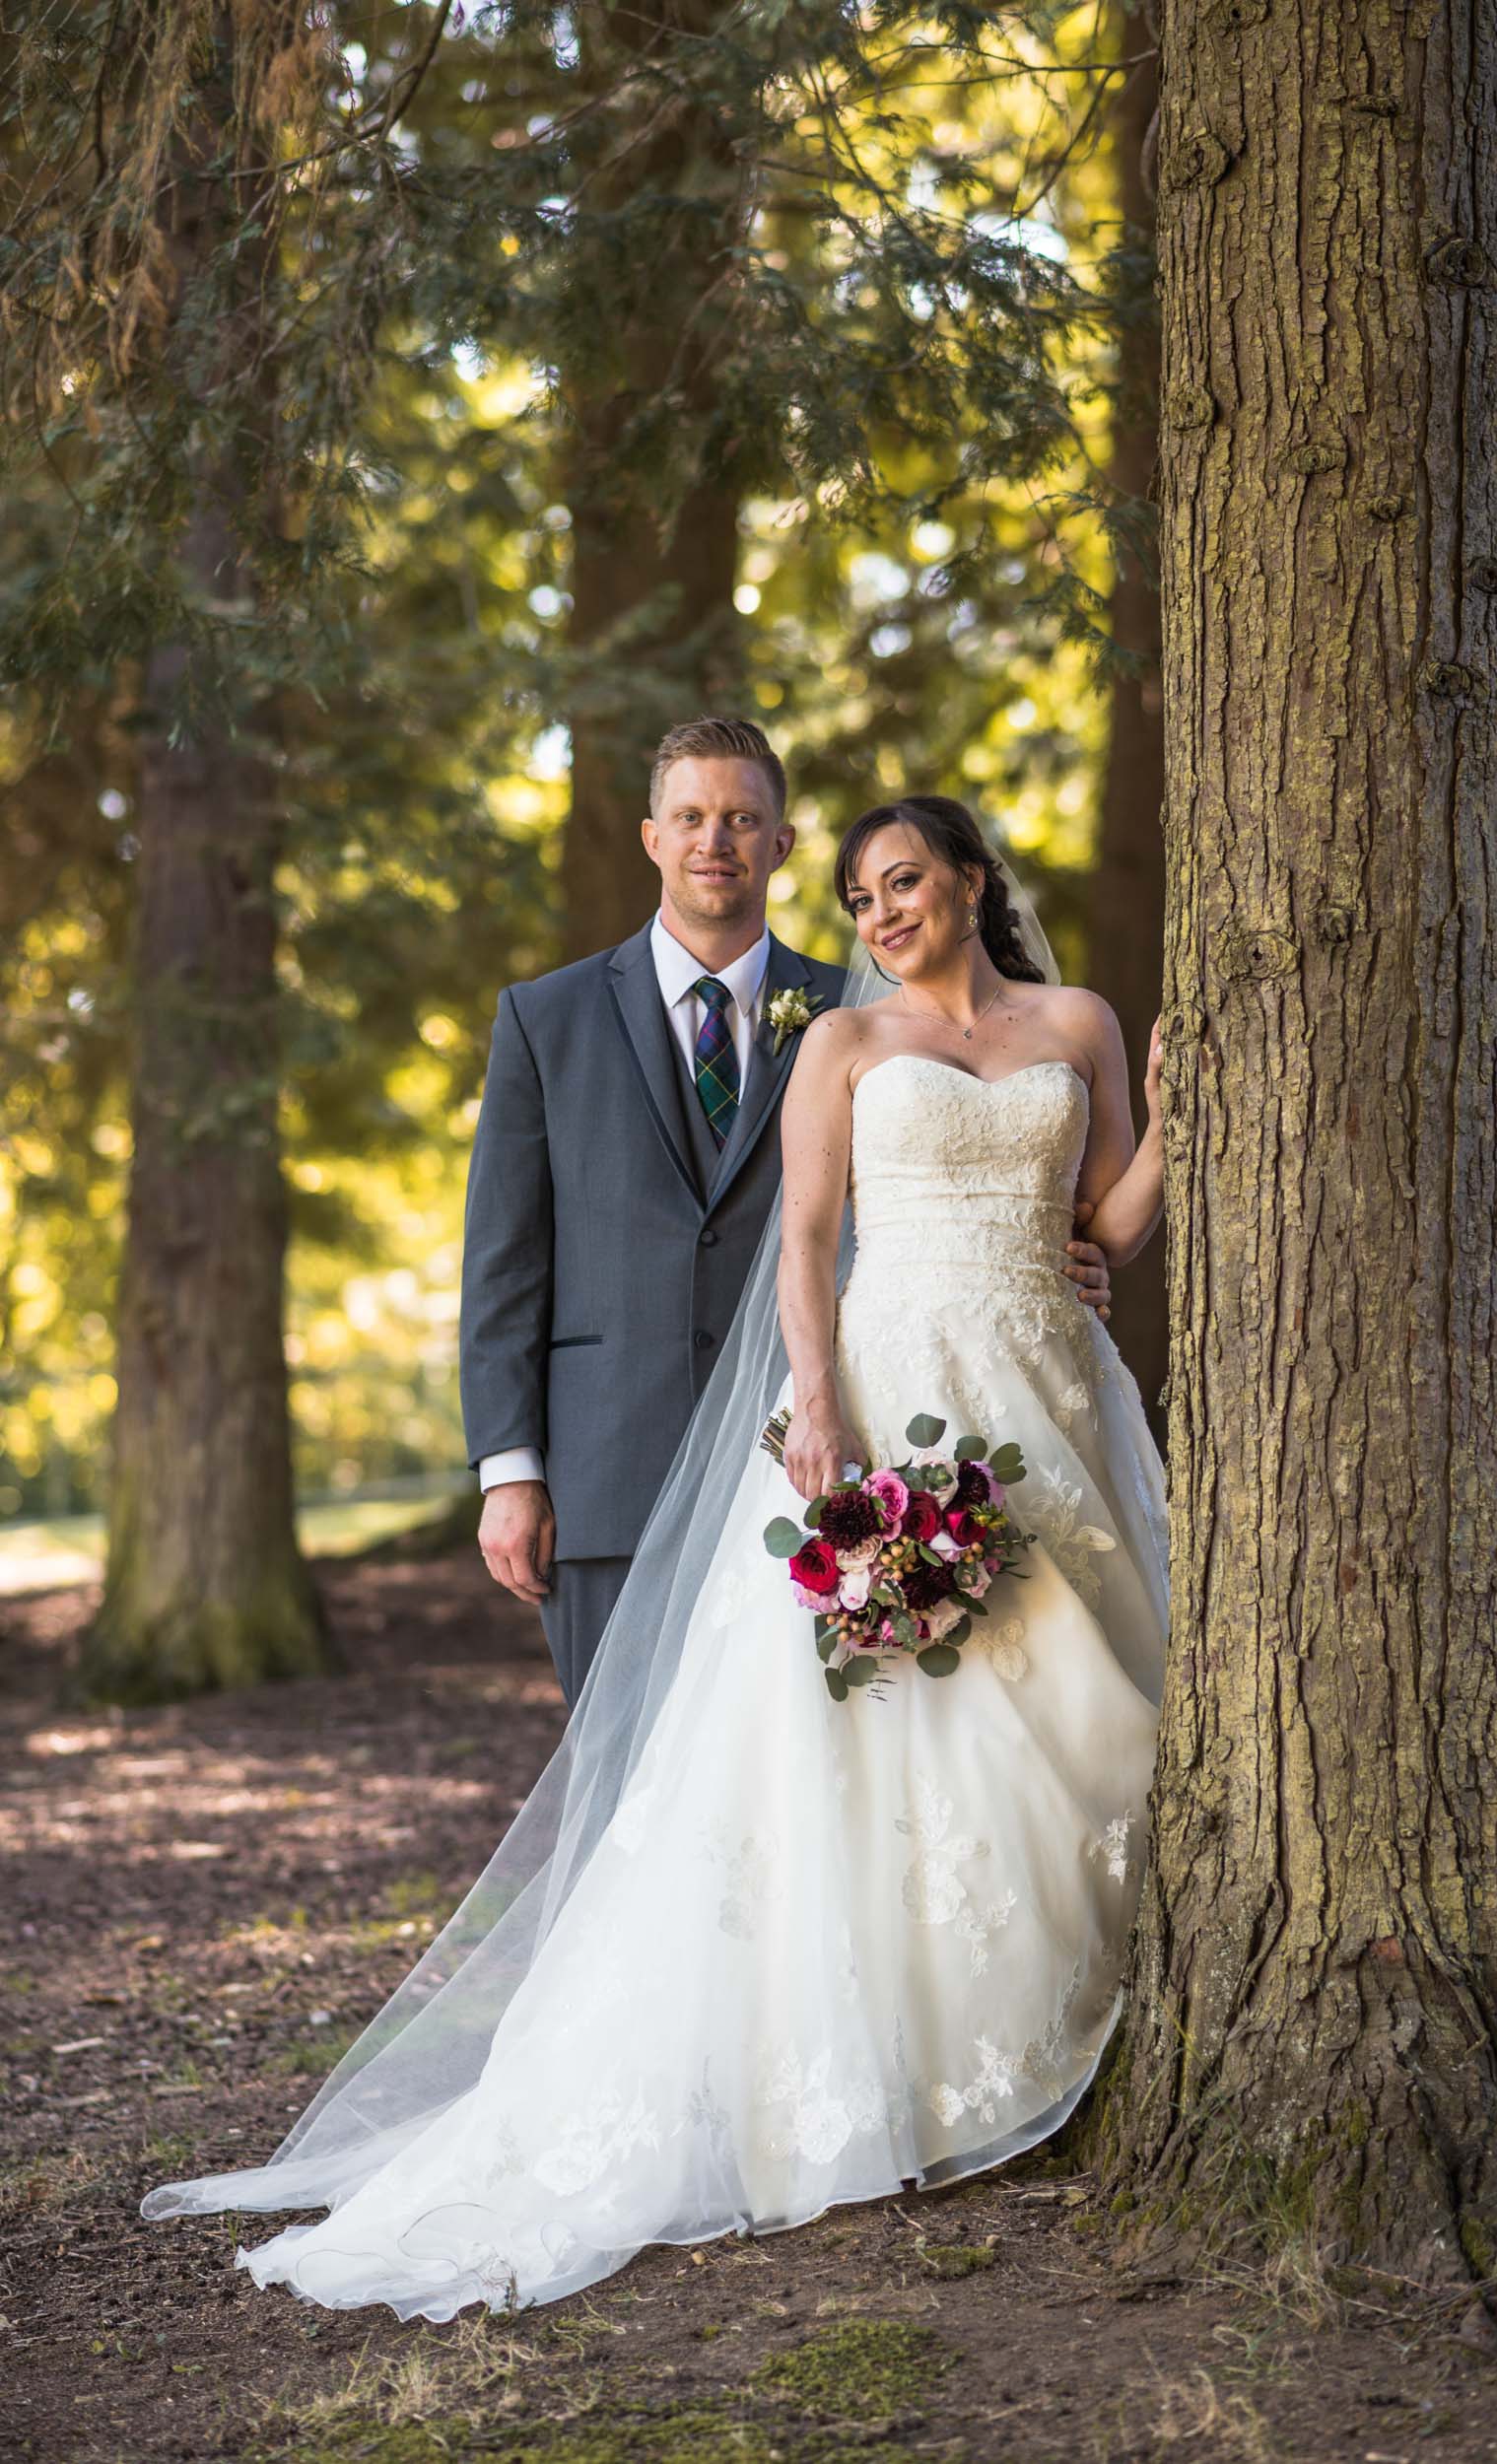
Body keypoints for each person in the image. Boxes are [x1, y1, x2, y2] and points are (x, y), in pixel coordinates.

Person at [142, 794, 1168, 2322]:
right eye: (858, 894)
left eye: (904, 883)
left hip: (1053, 1391)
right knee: (890, 1721)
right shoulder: (845, 1041)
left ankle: (1060, 2032)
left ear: (969, 881)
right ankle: (901, 2062)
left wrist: (1185, 1110)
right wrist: (818, 1408)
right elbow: (807, 1240)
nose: (880, 912)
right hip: (898, 1390)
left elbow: (1109, 1222)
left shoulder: (1079, 1020)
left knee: (1074, 1692)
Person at [459, 719, 1116, 1705]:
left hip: (821, 1468)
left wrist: (1071, 1251)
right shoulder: (544, 1019)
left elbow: (971, 1174)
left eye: (740, 818)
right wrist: (509, 1470)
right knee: (618, 1792)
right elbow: (504, 1259)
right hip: (604, 1474)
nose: (713, 840)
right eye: (689, 817)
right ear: (651, 838)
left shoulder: (866, 1012)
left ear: (782, 842)